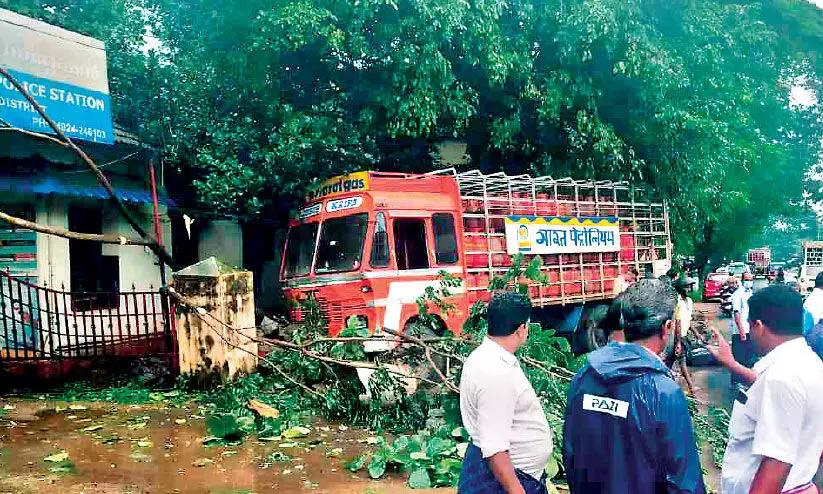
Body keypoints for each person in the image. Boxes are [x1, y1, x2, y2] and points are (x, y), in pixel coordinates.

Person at [563, 279, 706, 494]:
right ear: (667, 327)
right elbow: (683, 480)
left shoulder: (584, 376)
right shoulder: (663, 392)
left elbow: (571, 454)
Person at [707, 285, 823, 494]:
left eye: (750, 327)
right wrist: (731, 363)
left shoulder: (781, 377)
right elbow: (768, 388)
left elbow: (776, 462)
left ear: (758, 326)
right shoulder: (808, 363)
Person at [458, 292, 553, 494]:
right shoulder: (496, 373)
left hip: (510, 472)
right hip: (509, 478)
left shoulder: (483, 357)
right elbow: (495, 448)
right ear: (522, 329)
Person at [666, 280, 696, 395]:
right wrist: (678, 342)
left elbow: (689, 319)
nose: (688, 289)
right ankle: (691, 386)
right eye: (687, 287)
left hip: (683, 334)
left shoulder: (689, 301)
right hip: (677, 336)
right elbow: (678, 322)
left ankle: (668, 382)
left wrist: (696, 333)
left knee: (670, 361)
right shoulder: (677, 302)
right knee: (681, 362)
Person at [730, 272, 756, 388]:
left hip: (749, 329)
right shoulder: (738, 294)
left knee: (748, 356)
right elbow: (737, 313)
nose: (749, 282)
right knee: (739, 357)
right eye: (747, 279)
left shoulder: (750, 292)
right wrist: (741, 330)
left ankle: (745, 380)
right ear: (742, 280)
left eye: (751, 279)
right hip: (740, 331)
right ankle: (735, 382)